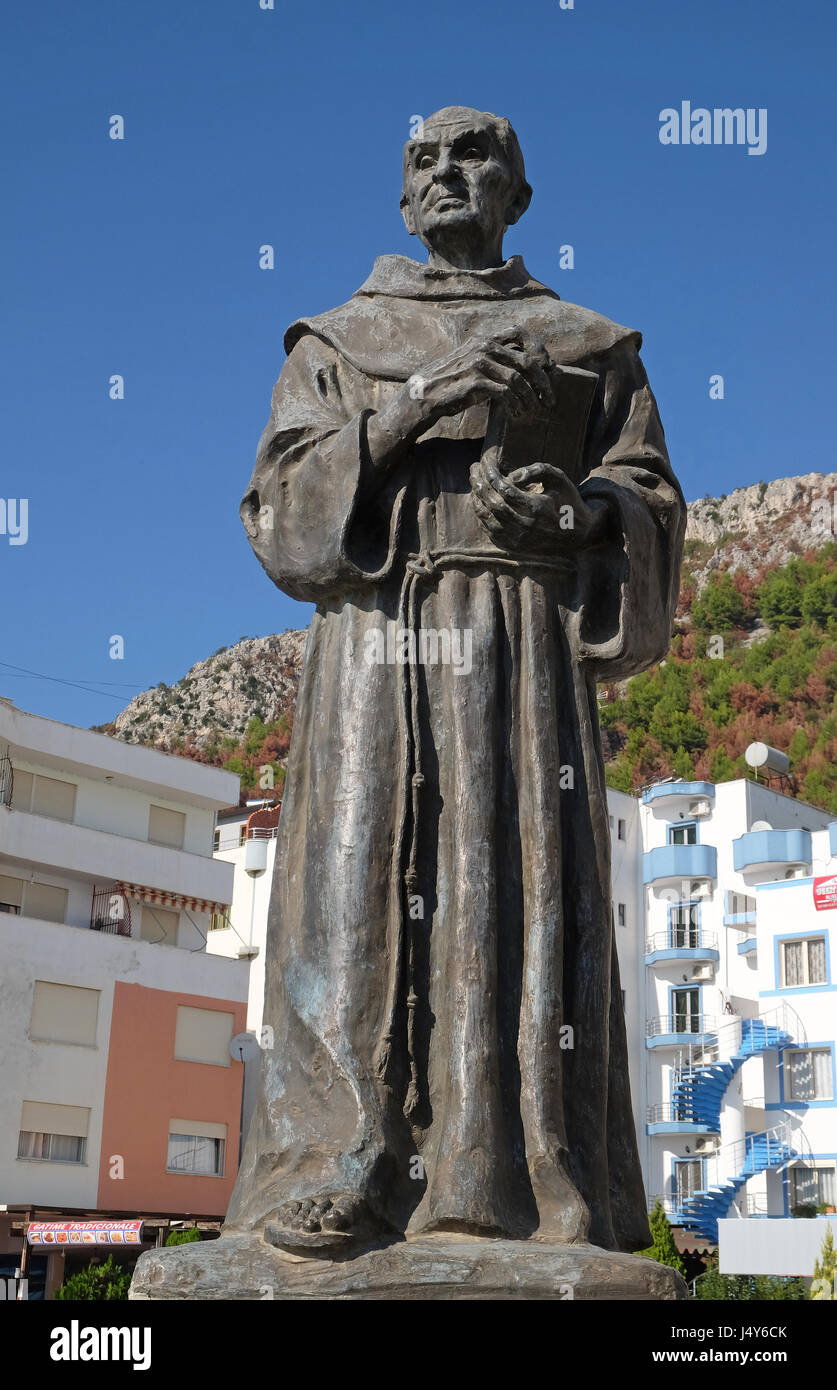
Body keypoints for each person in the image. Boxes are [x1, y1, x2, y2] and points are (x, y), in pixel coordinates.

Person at [230, 106, 685, 1254]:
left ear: (517, 195)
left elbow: (651, 504)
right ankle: (339, 1165)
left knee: (513, 893)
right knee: (348, 900)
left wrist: (581, 512)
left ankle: (519, 1181)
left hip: (521, 650)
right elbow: (282, 522)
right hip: (375, 649)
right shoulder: (333, 343)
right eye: (423, 159)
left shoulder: (590, 342)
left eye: (474, 155)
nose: (446, 174)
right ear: (401, 198)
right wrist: (416, 404)